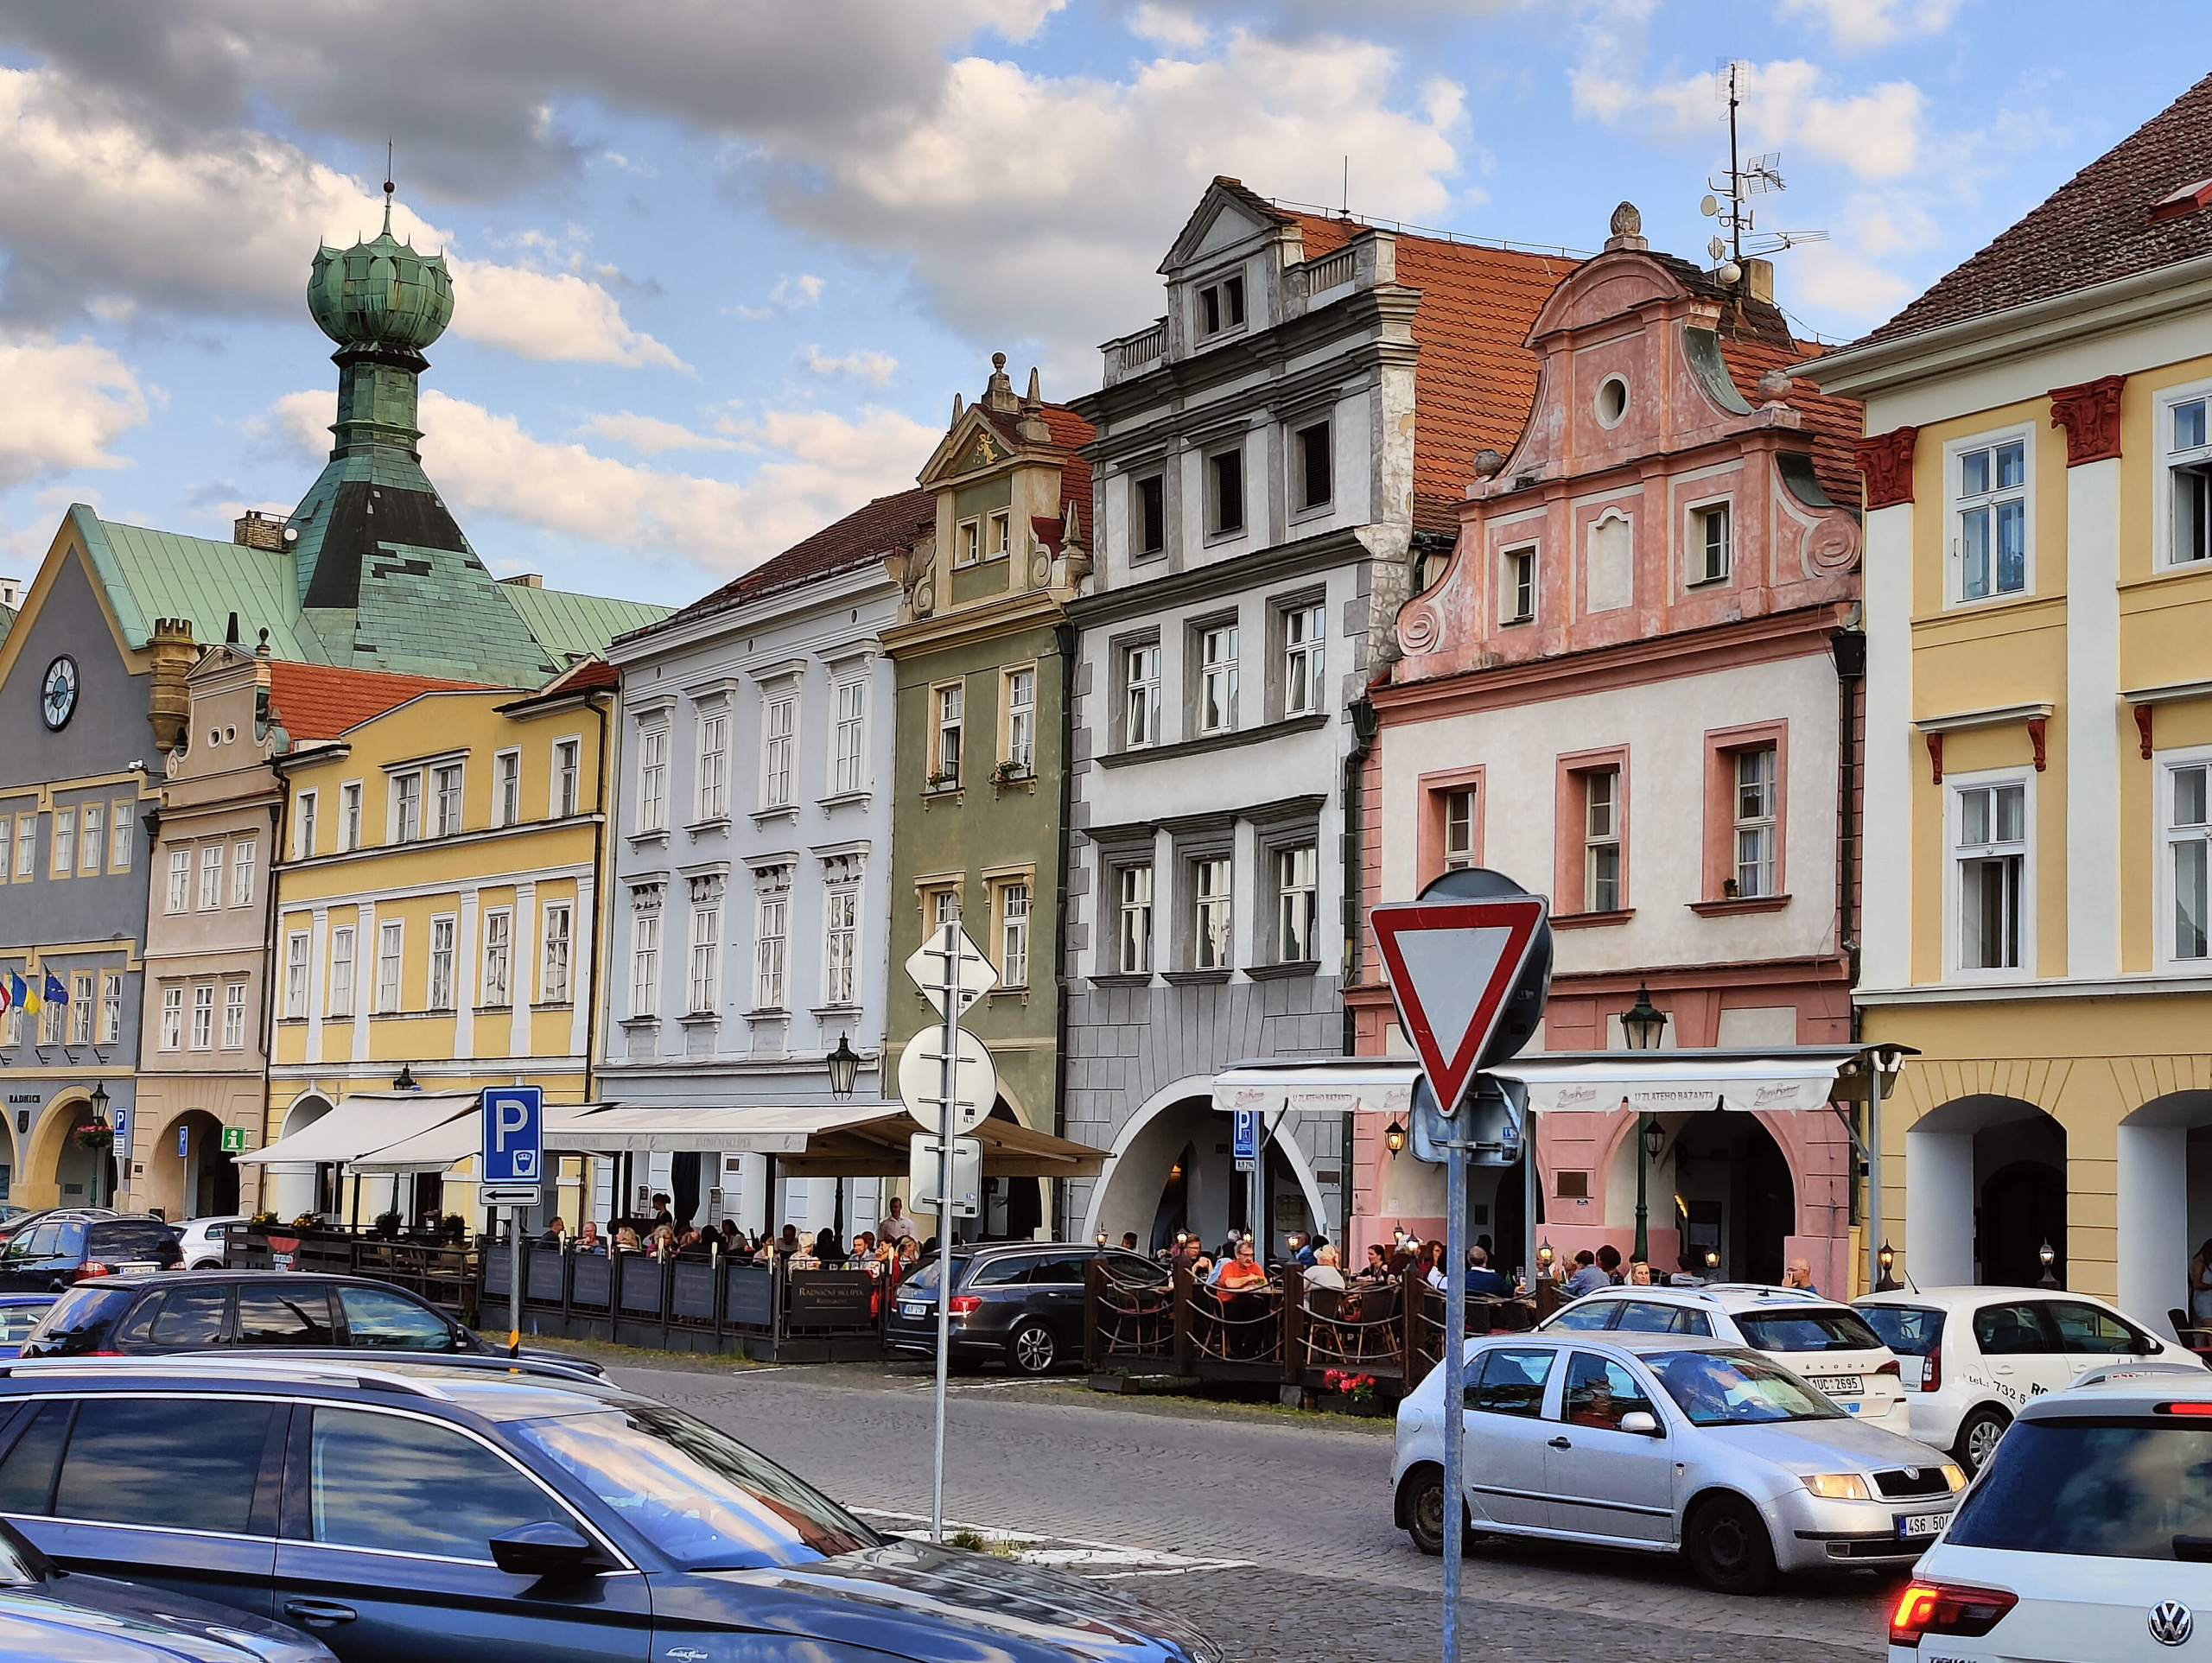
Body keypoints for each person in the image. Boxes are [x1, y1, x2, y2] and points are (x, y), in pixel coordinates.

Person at [2192, 1239, 2212, 1323]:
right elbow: (2196, 1284)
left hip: (2209, 1300)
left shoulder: (2208, 1263)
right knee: (2209, 1329)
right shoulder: (2199, 1263)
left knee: (2205, 1331)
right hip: (2204, 1302)